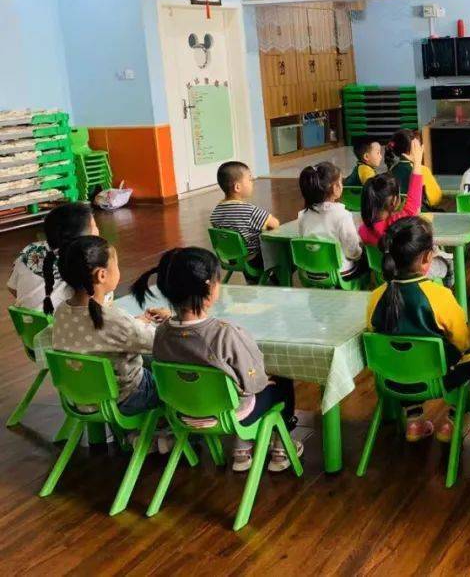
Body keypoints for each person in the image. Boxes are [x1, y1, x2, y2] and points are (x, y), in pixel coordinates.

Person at [137, 247, 303, 473]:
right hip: (228, 415)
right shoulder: (225, 334)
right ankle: (280, 447)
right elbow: (252, 382)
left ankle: (242, 449)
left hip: (182, 411)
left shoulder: (163, 332)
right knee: (280, 380)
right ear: (209, 288)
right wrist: (264, 381)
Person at [367, 217, 470, 443]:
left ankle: (414, 419)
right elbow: (460, 342)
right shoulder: (439, 296)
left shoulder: (376, 296)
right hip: (438, 378)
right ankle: (452, 420)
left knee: (403, 356)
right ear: (427, 257)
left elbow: (374, 333)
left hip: (392, 379)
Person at [52, 236, 170, 419]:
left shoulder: (60, 312)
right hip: (125, 399)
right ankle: (167, 432)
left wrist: (136, 322)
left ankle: (133, 435)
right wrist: (171, 321)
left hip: (82, 398)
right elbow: (160, 342)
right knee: (170, 374)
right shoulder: (114, 319)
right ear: (102, 275)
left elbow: (105, 334)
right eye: (116, 265)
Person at [8, 201, 97, 312]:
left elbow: (12, 288)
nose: (98, 231)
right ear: (82, 239)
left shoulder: (30, 251)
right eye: (95, 227)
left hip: (27, 324)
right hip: (60, 325)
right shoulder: (83, 259)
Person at [209, 161, 280, 281]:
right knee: (282, 249)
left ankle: (253, 280)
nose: (252, 183)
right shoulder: (249, 211)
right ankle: (277, 282)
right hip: (256, 260)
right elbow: (275, 224)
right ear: (237, 187)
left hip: (232, 259)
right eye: (250, 180)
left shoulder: (216, 213)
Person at [297, 161, 365, 280]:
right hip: (340, 274)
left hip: (311, 272)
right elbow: (353, 253)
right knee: (365, 260)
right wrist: (360, 253)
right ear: (335, 188)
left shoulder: (303, 215)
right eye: (340, 182)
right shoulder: (343, 216)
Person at [359, 136, 424, 246]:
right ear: (394, 201)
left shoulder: (363, 230)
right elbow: (412, 207)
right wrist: (417, 163)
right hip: (402, 263)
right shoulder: (396, 224)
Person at [386, 129, 442, 210]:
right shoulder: (422, 170)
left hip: (396, 215)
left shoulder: (391, 170)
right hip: (419, 216)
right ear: (414, 148)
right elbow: (435, 199)